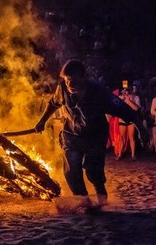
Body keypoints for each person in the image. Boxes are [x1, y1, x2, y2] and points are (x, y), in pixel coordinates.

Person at [33, 59, 148, 208]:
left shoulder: (99, 92)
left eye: (74, 80)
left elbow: (125, 110)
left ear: (83, 77)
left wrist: (142, 129)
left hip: (95, 136)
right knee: (72, 170)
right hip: (72, 135)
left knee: (93, 171)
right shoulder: (62, 88)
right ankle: (83, 202)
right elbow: (53, 104)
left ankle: (101, 197)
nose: (70, 84)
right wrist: (42, 122)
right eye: (67, 80)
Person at [117, 88, 141, 160]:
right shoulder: (121, 97)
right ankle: (120, 154)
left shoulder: (136, 97)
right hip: (122, 119)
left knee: (132, 137)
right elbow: (117, 108)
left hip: (131, 120)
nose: (126, 92)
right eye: (124, 91)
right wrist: (122, 100)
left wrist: (129, 100)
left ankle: (133, 155)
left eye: (127, 90)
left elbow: (137, 108)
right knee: (122, 137)